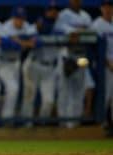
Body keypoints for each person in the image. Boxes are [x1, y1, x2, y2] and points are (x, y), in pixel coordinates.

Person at [54, 0, 95, 128]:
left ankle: (74, 124)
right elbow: (59, 30)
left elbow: (93, 33)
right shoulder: (63, 15)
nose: (75, 1)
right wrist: (77, 31)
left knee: (79, 91)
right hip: (67, 54)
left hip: (81, 56)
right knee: (64, 91)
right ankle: (62, 123)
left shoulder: (86, 16)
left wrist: (78, 31)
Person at [21, 1, 60, 120]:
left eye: (55, 10)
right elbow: (28, 37)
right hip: (34, 63)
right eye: (50, 10)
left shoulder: (61, 26)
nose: (52, 12)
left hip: (50, 68)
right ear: (46, 12)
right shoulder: (35, 26)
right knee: (29, 96)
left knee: (49, 100)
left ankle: (43, 125)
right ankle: (26, 125)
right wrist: (38, 31)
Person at [0, 7, 36, 120]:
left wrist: (17, 40)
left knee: (14, 90)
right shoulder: (6, 27)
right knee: (12, 88)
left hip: (16, 63)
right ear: (13, 18)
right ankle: (6, 119)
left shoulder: (26, 26)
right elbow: (5, 45)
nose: (20, 21)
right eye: (17, 18)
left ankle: (6, 116)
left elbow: (35, 42)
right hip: (2, 62)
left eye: (22, 18)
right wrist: (23, 42)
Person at [91, 0, 113, 136]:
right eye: (105, 6)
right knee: (105, 96)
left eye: (110, 6)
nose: (108, 9)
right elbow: (95, 48)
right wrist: (107, 62)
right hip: (104, 66)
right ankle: (103, 124)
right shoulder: (96, 25)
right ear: (101, 8)